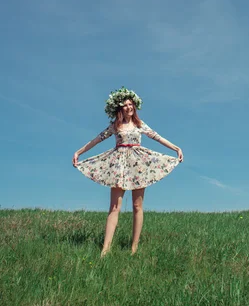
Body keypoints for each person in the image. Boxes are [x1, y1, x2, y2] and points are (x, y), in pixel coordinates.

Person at [72, 87, 183, 256]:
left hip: (138, 165)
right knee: (115, 206)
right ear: (119, 108)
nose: (129, 107)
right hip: (119, 166)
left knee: (137, 205)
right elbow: (96, 140)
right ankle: (105, 249)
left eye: (131, 104)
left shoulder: (140, 124)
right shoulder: (115, 126)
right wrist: (79, 152)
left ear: (134, 106)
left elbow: (157, 137)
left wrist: (176, 148)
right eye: (125, 105)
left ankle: (134, 248)